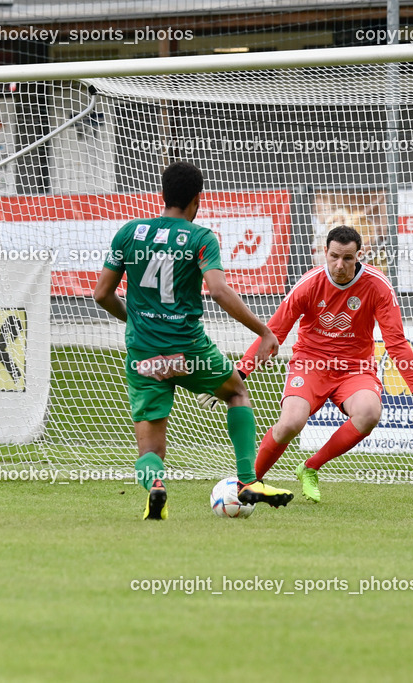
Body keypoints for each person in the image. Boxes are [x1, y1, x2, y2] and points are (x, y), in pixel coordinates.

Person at [93, 161, 293, 520]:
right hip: (190, 351)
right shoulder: (201, 238)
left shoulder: (129, 233)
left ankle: (156, 486)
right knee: (236, 393)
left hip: (144, 355)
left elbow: (102, 294)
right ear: (197, 200)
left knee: (150, 450)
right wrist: (264, 331)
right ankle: (248, 481)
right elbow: (218, 290)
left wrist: (136, 320)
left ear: (163, 194)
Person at [199, 226, 413, 503]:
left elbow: (396, 342)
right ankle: (248, 484)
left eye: (347, 258)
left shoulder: (378, 285)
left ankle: (310, 467)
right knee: (290, 423)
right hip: (310, 365)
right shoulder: (309, 284)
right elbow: (274, 332)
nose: (339, 265)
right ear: (325, 252)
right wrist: (237, 375)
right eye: (334, 256)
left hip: (355, 369)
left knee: (369, 413)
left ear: (359, 255)